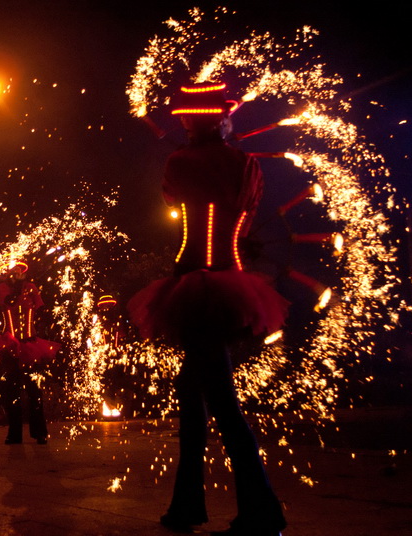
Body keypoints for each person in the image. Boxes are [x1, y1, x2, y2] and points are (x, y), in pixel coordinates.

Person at [127, 82, 288, 536]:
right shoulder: (246, 163)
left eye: (184, 118)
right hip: (231, 279)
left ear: (193, 119)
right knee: (192, 392)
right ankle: (188, 505)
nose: (179, 123)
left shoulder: (179, 161)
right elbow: (248, 212)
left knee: (218, 400)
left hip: (192, 279)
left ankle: (261, 511)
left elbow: (172, 200)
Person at [0, 260, 60, 445]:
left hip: (31, 344)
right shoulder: (2, 287)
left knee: (34, 392)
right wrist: (21, 288)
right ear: (7, 273)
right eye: (13, 270)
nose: (17, 272)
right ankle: (14, 434)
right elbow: (9, 301)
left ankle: (39, 432)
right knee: (12, 393)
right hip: (10, 344)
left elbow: (41, 308)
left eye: (20, 270)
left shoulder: (31, 287)